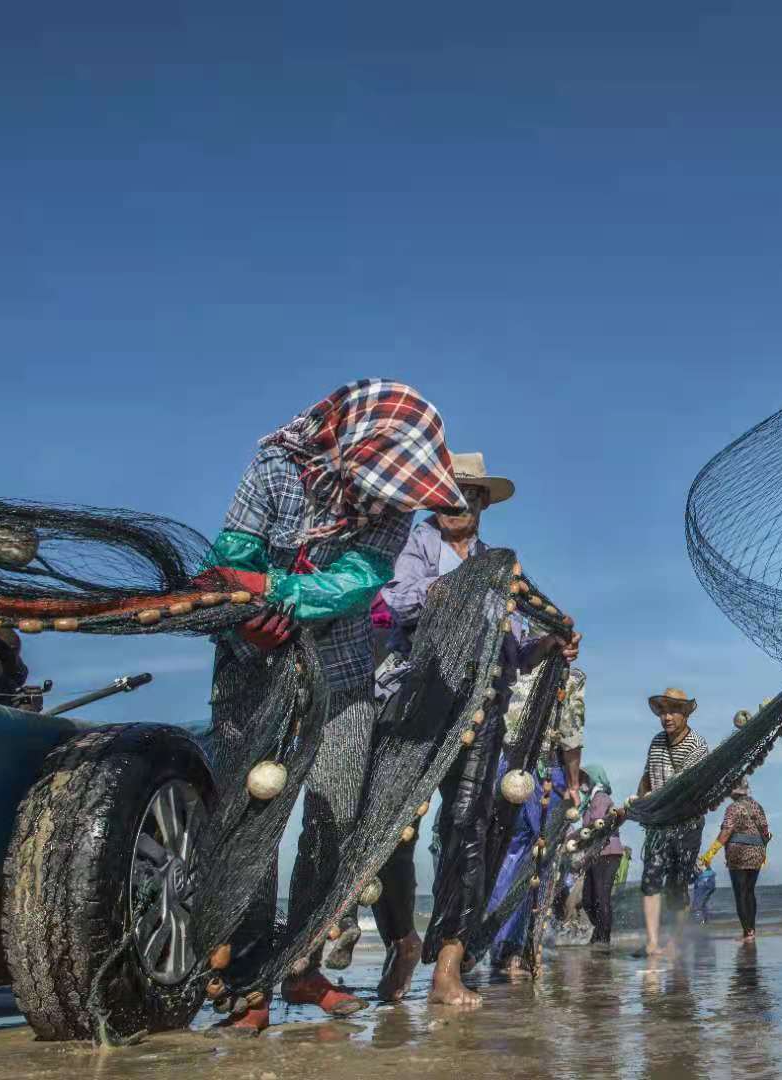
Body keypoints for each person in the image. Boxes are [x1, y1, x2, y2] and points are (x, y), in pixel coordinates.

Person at [204, 378, 467, 1035]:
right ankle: (247, 978)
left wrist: (275, 590)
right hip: (250, 663)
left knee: (336, 815)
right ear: (350, 443)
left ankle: (302, 963)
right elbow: (228, 556)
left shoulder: (395, 505)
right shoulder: (274, 469)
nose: (390, 499)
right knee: (252, 816)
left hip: (344, 673)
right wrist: (245, 607)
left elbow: (356, 582)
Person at [355, 451, 579, 1007]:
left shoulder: (502, 564)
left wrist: (548, 644)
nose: (457, 502)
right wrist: (444, 593)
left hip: (482, 711)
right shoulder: (417, 543)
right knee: (393, 831)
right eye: (448, 493)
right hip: (415, 704)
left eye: (469, 495)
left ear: (482, 504)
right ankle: (404, 941)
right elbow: (395, 600)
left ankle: (448, 962)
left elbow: (513, 649)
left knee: (468, 828)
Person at [487, 664, 589, 972]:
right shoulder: (570, 676)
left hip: (503, 768)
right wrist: (573, 784)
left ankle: (493, 942)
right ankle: (517, 948)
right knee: (538, 859)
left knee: (505, 853)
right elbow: (571, 735)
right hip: (545, 772)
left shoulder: (509, 661)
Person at [636, 687, 710, 957]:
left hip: (686, 823)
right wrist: (637, 803)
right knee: (651, 878)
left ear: (685, 714)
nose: (666, 717)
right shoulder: (656, 742)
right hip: (657, 823)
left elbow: (686, 786)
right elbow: (647, 777)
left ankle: (675, 942)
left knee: (677, 883)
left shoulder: (697, 747)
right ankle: (653, 941)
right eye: (662, 711)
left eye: (673, 711)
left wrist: (656, 803)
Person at [699, 778, 772, 942]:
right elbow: (766, 832)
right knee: (749, 891)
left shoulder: (733, 808)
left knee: (740, 893)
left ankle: (747, 933)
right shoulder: (757, 806)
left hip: (738, 854)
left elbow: (726, 832)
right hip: (757, 853)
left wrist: (709, 855)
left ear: (734, 791)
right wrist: (762, 851)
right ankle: (752, 931)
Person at [580, 765, 625, 945]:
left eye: (585, 779)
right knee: (588, 900)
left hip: (608, 852)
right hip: (595, 854)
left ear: (594, 779)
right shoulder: (590, 801)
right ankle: (599, 931)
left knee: (601, 896)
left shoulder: (600, 798)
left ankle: (603, 939)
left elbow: (596, 826)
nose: (582, 783)